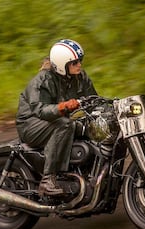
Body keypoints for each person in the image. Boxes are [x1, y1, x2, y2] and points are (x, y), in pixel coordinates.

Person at [16, 39, 98, 196]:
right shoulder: (43, 80)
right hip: (30, 124)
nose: (79, 65)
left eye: (80, 61)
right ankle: (48, 180)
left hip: (53, 121)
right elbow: (40, 110)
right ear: (62, 64)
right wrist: (64, 106)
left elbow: (94, 99)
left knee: (87, 126)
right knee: (65, 125)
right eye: (74, 63)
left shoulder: (80, 77)